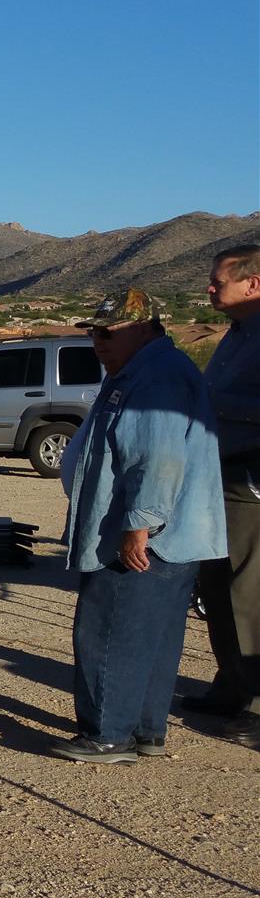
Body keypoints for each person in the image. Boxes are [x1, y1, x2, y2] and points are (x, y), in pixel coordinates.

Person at [53, 287, 226, 764]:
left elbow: (157, 458)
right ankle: (147, 730)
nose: (99, 342)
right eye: (94, 333)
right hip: (171, 537)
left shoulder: (154, 378)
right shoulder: (143, 370)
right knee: (153, 635)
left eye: (109, 333)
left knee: (110, 631)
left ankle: (107, 734)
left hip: (142, 536)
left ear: (146, 329)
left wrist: (139, 525)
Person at [193, 244, 260, 747]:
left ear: (252, 284)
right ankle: (230, 686)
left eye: (219, 281)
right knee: (215, 587)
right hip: (216, 475)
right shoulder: (236, 334)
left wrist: (208, 400)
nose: (210, 289)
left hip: (250, 480)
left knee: (248, 592)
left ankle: (256, 703)